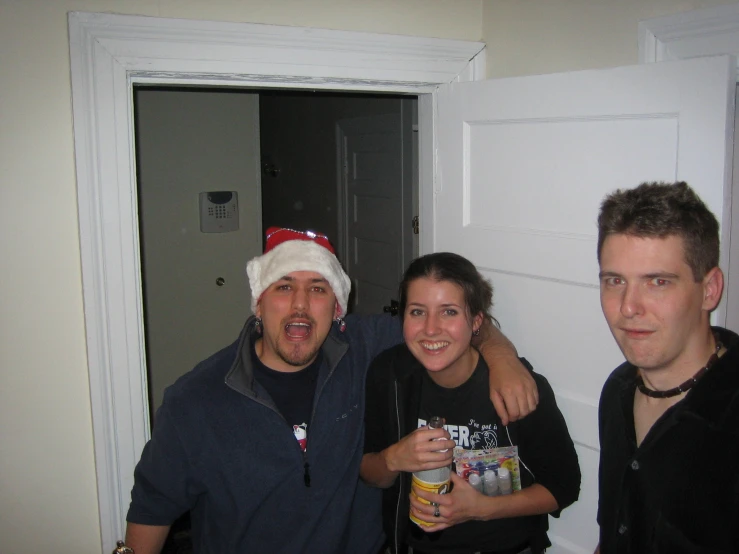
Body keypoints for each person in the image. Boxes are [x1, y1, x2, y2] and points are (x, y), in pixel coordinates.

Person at [124, 227, 539, 554]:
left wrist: (502, 356)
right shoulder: (195, 401)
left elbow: (443, 328)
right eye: (284, 286)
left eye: (318, 289)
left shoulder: (363, 348)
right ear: (258, 303)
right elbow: (152, 507)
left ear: (337, 309)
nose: (301, 304)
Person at [361, 252, 581, 554]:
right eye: (417, 312)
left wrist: (482, 508)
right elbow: (368, 471)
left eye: (449, 312)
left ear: (477, 321)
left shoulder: (517, 387)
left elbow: (563, 487)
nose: (430, 328)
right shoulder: (389, 375)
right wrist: (394, 458)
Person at [595, 182, 739, 553]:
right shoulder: (618, 390)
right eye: (615, 281)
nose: (628, 307)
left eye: (658, 282)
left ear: (709, 290)